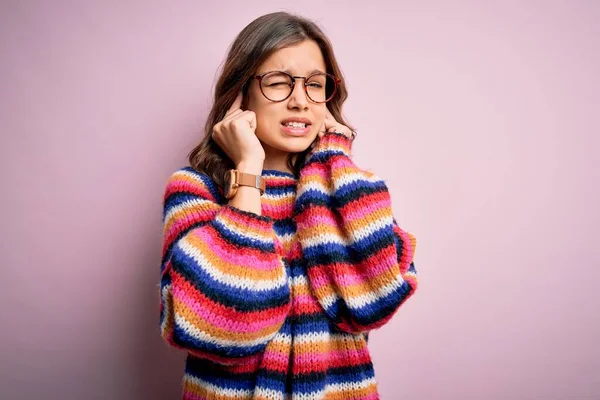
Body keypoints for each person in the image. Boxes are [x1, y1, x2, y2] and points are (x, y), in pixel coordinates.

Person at [159, 11, 418, 400]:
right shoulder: (198, 190)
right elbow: (218, 329)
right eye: (279, 83)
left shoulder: (347, 189)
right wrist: (247, 171)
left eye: (315, 85)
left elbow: (370, 303)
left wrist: (334, 157)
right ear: (239, 94)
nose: (300, 102)